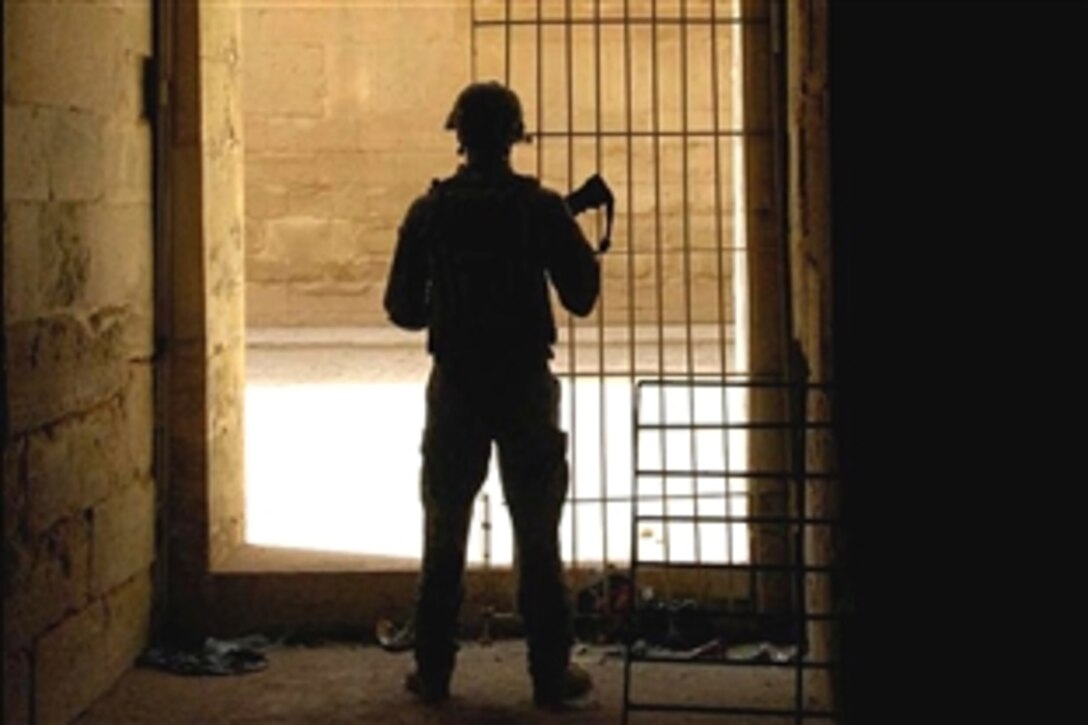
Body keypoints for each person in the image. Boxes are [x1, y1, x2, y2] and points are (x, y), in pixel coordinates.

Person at [383, 81, 600, 708]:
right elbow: (581, 297)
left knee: (443, 528)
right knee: (537, 531)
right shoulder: (540, 208)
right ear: (514, 137)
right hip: (525, 385)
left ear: (459, 137)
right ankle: (550, 675)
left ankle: (434, 672)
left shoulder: (430, 211)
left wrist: (450, 308)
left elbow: (401, 307)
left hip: (455, 384)